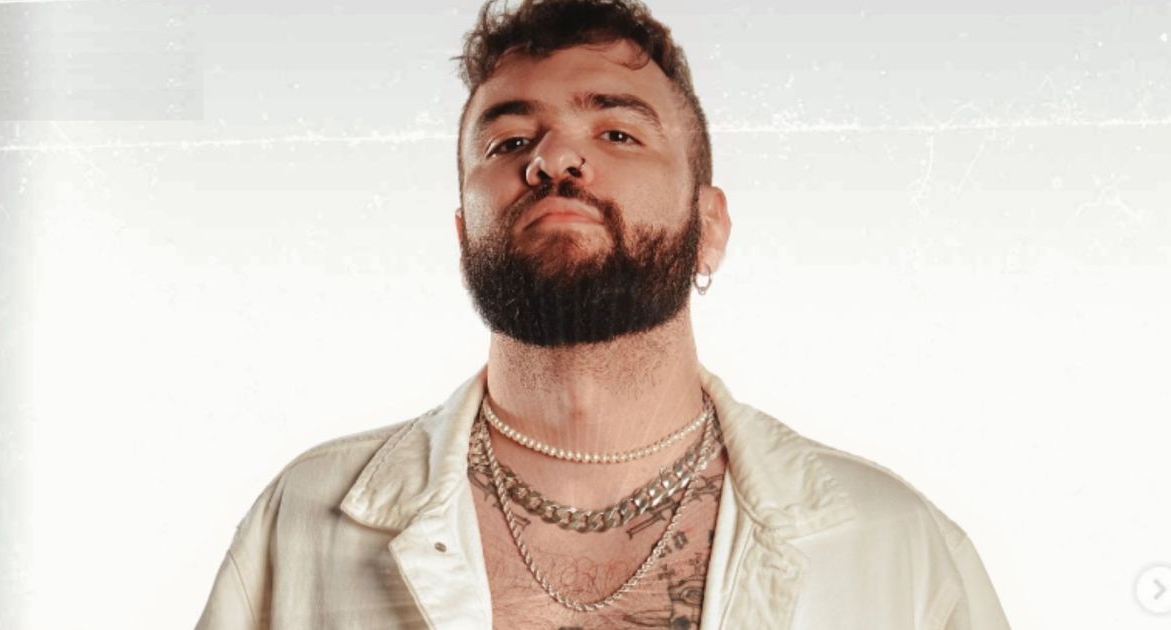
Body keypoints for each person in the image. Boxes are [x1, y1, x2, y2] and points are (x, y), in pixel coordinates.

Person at [196, 0, 1011, 628]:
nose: (555, 158)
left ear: (709, 226)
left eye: (617, 132)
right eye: (509, 143)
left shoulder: (889, 544)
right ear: (464, 233)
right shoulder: (306, 524)